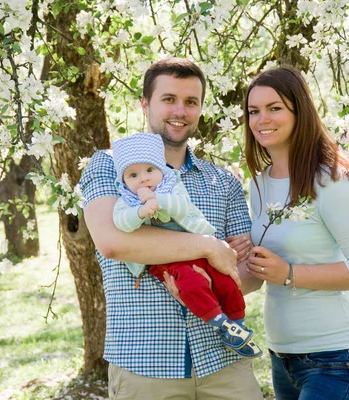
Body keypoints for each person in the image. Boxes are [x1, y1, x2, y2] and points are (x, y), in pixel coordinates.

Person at [80, 58, 263, 399]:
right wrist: (209, 248)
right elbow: (113, 242)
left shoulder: (222, 180)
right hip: (145, 365)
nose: (180, 110)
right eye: (169, 99)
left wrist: (212, 282)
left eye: (191, 102)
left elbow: (249, 268)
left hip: (225, 362)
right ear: (145, 104)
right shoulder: (109, 165)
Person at [242, 66, 349, 400]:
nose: (262, 118)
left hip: (336, 360)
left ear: (299, 111)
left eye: (275, 108)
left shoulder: (329, 180)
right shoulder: (258, 182)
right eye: (254, 111)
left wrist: (289, 273)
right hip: (281, 360)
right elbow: (267, 263)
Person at [111, 132, 262, 358]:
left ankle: (238, 323)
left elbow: (182, 208)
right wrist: (140, 211)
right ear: (123, 182)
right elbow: (121, 223)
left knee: (226, 280)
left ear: (161, 170)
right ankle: (221, 324)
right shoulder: (127, 200)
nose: (143, 179)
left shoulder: (172, 187)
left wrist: (157, 200)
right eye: (133, 175)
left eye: (150, 170)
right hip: (167, 260)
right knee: (191, 284)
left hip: (201, 251)